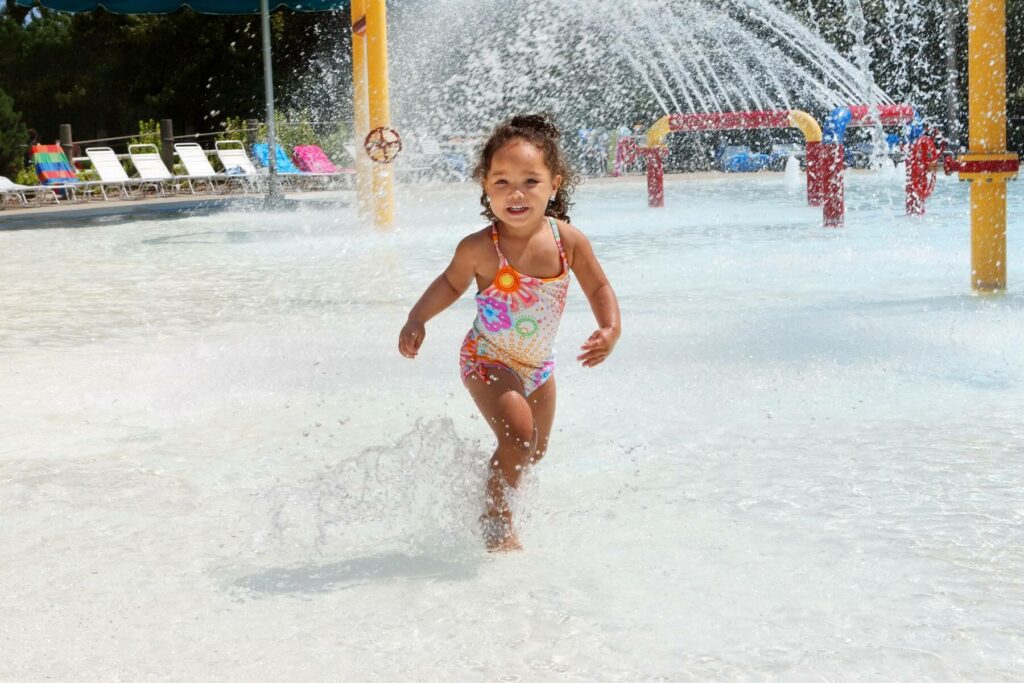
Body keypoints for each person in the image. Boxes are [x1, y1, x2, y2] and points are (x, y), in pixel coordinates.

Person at [398, 114, 621, 552]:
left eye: (530, 181)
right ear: (485, 186)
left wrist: (610, 328)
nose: (515, 193)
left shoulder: (568, 241)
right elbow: (448, 283)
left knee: (535, 451)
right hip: (487, 357)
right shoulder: (480, 247)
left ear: (554, 185)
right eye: (501, 182)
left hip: (539, 365)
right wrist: (417, 318)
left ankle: (490, 487)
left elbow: (598, 285)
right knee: (518, 438)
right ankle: (495, 517)